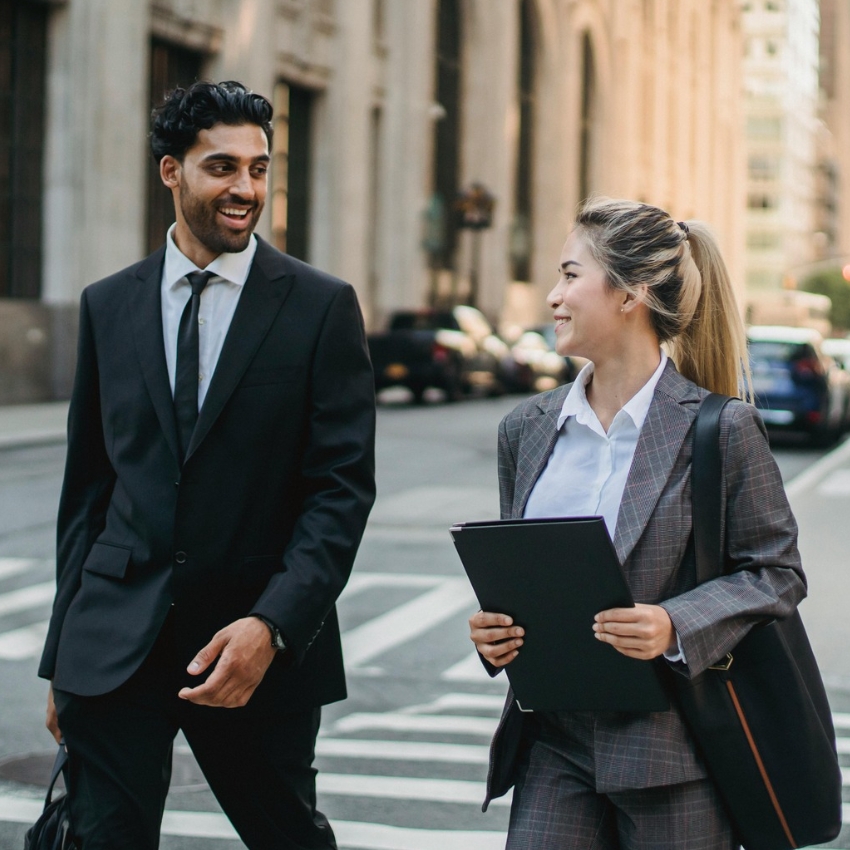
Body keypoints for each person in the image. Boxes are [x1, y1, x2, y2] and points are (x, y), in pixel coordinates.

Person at [38, 80, 376, 850]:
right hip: (115, 644)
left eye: (259, 169)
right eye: (222, 167)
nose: (246, 189)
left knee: (286, 836)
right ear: (171, 172)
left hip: (252, 644)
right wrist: (64, 658)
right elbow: (87, 493)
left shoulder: (320, 308)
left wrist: (273, 625)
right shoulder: (108, 305)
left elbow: (340, 493)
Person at [469, 197, 806, 850]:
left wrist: (674, 623)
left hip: (676, 758)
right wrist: (496, 630)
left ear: (632, 293)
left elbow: (776, 572)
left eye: (571, 274)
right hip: (552, 747)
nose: (553, 296)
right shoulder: (527, 430)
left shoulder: (720, 430)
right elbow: (525, 574)